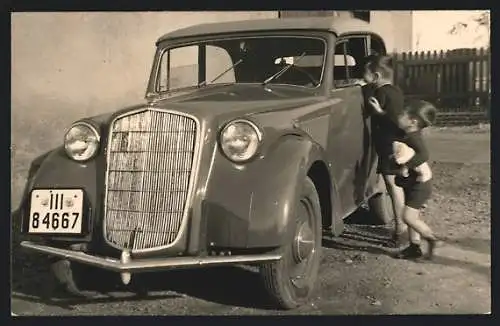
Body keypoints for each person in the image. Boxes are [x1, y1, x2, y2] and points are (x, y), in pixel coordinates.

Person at [369, 97, 442, 259]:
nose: (398, 117)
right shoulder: (407, 131)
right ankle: (414, 247)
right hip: (413, 181)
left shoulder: (414, 137)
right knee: (411, 218)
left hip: (420, 184)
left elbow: (424, 154)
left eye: (402, 114)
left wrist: (406, 166)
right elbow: (394, 124)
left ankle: (431, 239)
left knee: (407, 217)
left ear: (412, 121)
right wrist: (380, 112)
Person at [362, 55, 408, 245]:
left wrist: (379, 112)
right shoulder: (396, 91)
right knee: (394, 186)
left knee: (393, 187)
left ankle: (401, 229)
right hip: (395, 145)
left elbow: (392, 120)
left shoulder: (380, 94)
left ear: (376, 76)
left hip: (389, 146)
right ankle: (402, 227)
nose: (362, 77)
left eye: (364, 74)